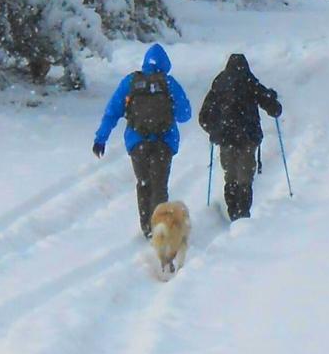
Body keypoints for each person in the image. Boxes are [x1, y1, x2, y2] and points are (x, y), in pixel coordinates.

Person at [93, 44, 192, 236]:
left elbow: (112, 112)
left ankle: (147, 226)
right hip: (164, 142)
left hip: (137, 142)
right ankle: (160, 227)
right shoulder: (169, 83)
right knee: (159, 185)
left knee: (144, 183)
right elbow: (185, 114)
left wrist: (101, 138)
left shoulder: (130, 82)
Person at [198, 53, 282, 221]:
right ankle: (242, 213)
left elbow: (204, 116)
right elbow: (271, 106)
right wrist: (274, 103)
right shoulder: (249, 81)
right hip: (247, 136)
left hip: (226, 137)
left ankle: (232, 210)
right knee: (245, 177)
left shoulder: (220, 83)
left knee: (230, 176)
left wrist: (214, 131)